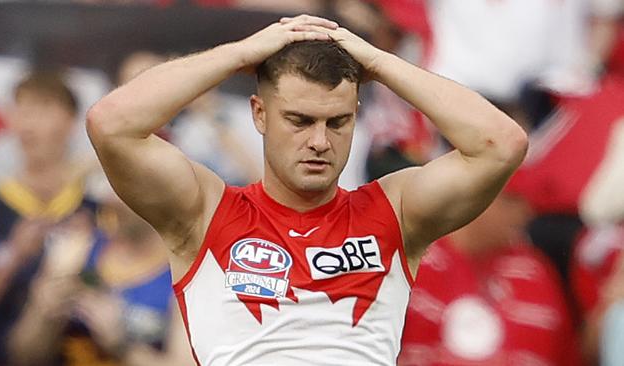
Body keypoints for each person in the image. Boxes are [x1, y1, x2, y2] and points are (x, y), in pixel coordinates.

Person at [86, 14, 528, 365]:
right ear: (259, 114)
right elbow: (111, 124)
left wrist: (377, 62)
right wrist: (239, 54)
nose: (320, 141)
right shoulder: (202, 211)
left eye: (337, 122)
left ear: (356, 114)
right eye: (299, 121)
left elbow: (501, 144)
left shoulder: (397, 211)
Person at [0, 70, 97, 366]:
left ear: (70, 122)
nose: (28, 124)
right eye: (21, 111)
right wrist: (12, 258)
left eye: (42, 110)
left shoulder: (96, 211)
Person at [8, 188, 195, 366]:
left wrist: (122, 345)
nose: (112, 198)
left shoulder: (185, 271)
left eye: (126, 187)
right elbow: (23, 356)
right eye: (111, 185)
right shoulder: (76, 251)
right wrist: (43, 315)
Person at [400, 188, 582, 366]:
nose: (525, 212)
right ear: (470, 195)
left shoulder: (535, 274)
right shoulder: (412, 265)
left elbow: (567, 355)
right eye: (510, 199)